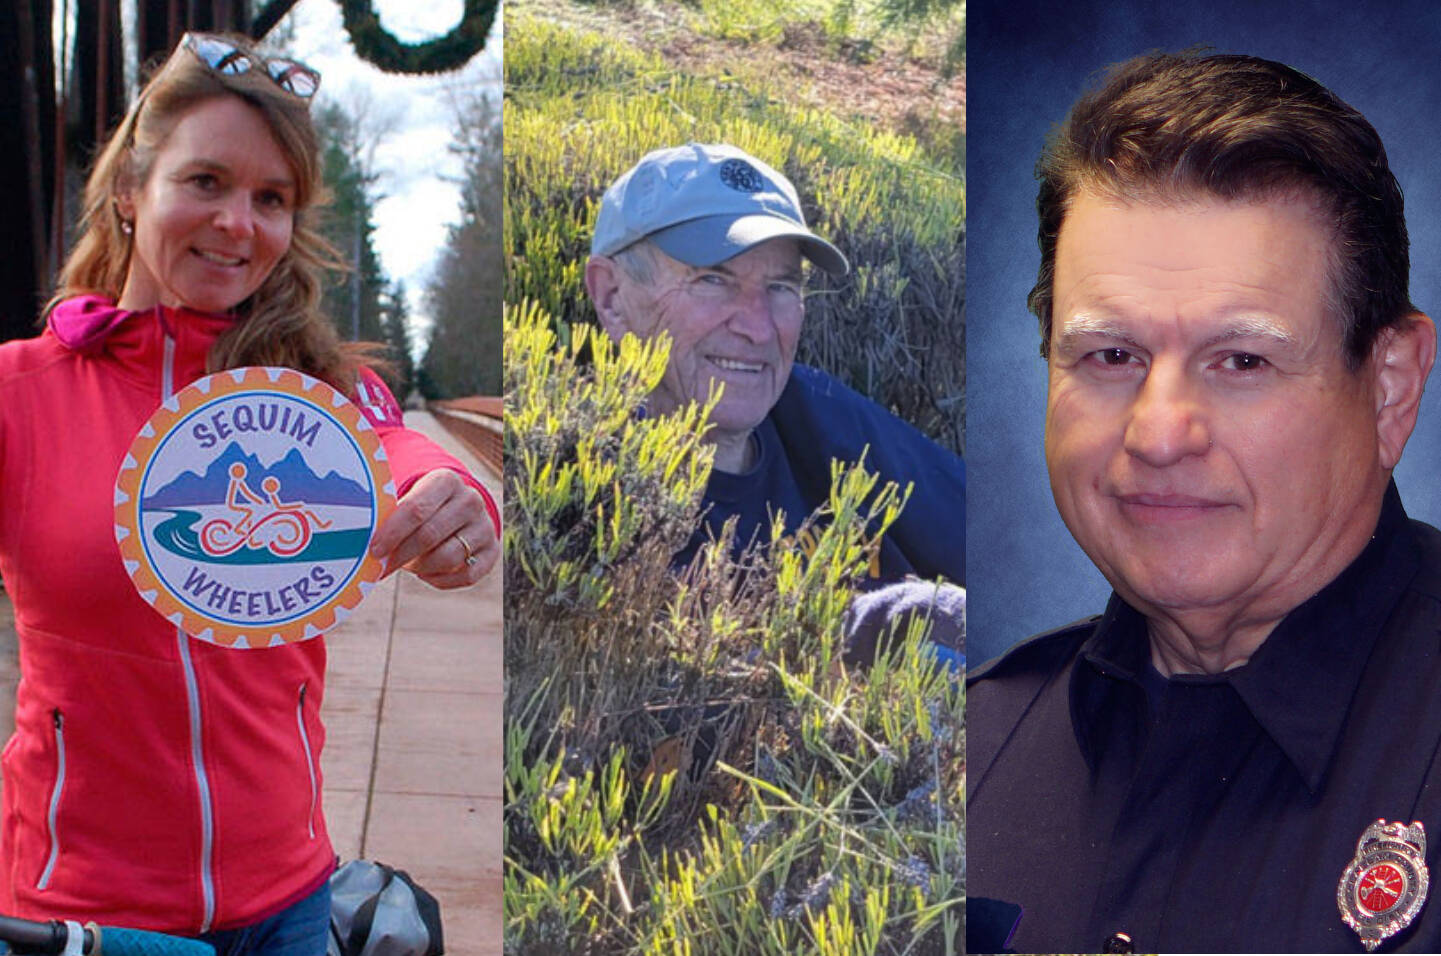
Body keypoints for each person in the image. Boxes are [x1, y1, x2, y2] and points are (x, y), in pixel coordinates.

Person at [0, 32, 499, 953]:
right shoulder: (21, 394)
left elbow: (395, 448)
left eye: (271, 198)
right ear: (128, 192)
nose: (239, 222)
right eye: (206, 182)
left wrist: (454, 492)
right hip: (80, 910)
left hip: (288, 901)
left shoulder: (315, 388)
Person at [966, 51, 1441, 953]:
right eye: (1110, 356)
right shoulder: (971, 744)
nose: (1158, 434)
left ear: (1388, 388)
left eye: (1242, 361)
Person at [583, 143, 965, 662]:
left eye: (781, 286)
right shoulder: (586, 493)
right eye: (712, 279)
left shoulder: (813, 409)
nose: (759, 327)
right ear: (611, 297)